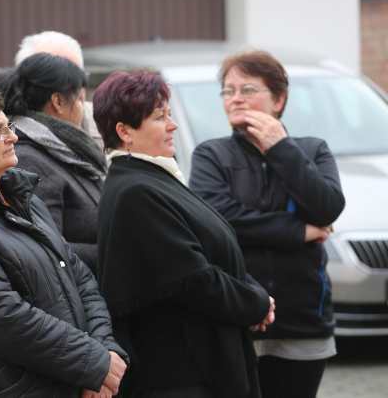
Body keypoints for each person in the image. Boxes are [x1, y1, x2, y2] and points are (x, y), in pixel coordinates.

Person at [0, 81, 127, 398]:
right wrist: (91, 362)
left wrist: (104, 351)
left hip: (73, 381)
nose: (13, 137)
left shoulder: (21, 197)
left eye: (8, 126)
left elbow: (79, 276)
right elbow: (4, 320)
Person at [93, 70, 274, 398]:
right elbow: (191, 278)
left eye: (169, 114)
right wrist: (256, 303)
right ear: (124, 132)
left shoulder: (153, 178)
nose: (172, 125)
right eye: (160, 117)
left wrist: (253, 292)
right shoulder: (135, 192)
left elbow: (215, 251)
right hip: (181, 374)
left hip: (202, 362)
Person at [188, 50, 346, 398]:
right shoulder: (211, 155)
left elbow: (327, 207)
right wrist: (299, 231)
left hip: (302, 318)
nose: (236, 99)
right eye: (228, 91)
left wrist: (280, 148)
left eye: (248, 89)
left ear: (279, 99)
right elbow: (219, 218)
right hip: (237, 313)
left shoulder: (312, 150)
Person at [0, 52, 105, 273]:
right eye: (78, 99)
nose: (82, 108)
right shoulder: (29, 159)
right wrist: (114, 252)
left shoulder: (64, 147)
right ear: (57, 102)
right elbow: (46, 249)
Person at [14, 30, 102, 146]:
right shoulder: (7, 135)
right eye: (57, 80)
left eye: (77, 76)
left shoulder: (106, 123)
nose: (77, 90)